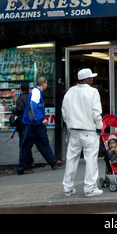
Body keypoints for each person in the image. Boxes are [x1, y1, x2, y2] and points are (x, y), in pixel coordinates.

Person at [61, 68, 103, 197]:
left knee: (71, 159)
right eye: (91, 77)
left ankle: (67, 187)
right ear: (85, 79)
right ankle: (90, 187)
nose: (92, 79)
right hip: (89, 130)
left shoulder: (70, 92)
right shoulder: (93, 92)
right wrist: (99, 127)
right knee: (90, 159)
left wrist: (69, 124)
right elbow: (96, 112)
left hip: (73, 130)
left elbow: (64, 111)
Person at [17, 77, 65, 175]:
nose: (47, 86)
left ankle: (53, 162)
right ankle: (23, 168)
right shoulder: (36, 93)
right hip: (31, 124)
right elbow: (34, 106)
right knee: (27, 146)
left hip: (35, 125)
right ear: (44, 83)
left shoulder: (37, 92)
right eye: (46, 84)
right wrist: (41, 119)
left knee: (43, 143)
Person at [12, 82, 34, 168]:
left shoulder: (20, 98)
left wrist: (15, 110)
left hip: (23, 123)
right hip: (32, 122)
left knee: (23, 143)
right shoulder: (31, 97)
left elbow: (20, 109)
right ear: (28, 89)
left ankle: (25, 164)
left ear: (20, 90)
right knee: (30, 142)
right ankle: (30, 161)